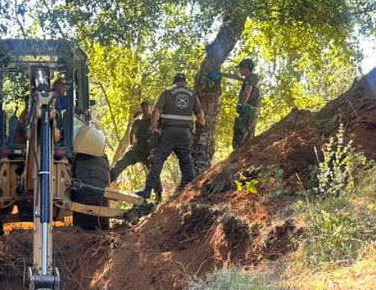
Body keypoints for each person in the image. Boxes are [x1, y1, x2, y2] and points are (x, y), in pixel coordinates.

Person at [139, 73, 205, 203]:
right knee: (186, 159)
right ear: (185, 83)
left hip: (168, 132)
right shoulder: (192, 94)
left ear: (174, 82)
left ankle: (147, 190)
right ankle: (189, 188)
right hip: (185, 133)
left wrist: (154, 128)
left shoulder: (167, 92)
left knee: (157, 159)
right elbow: (200, 116)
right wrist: (202, 124)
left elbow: (156, 111)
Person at [213, 58, 263, 149]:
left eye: (240, 68)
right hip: (251, 113)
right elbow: (235, 77)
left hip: (247, 113)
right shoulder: (251, 78)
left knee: (239, 141)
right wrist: (221, 74)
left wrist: (243, 104)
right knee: (248, 141)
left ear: (246, 68)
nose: (239, 70)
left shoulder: (251, 78)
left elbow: (247, 91)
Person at [109, 99, 155, 182]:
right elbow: (131, 133)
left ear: (150, 107)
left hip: (149, 152)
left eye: (146, 106)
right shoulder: (136, 121)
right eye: (143, 107)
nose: (145, 108)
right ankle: (108, 180)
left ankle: (158, 192)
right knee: (121, 163)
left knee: (154, 172)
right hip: (136, 151)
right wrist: (131, 145)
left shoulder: (155, 120)